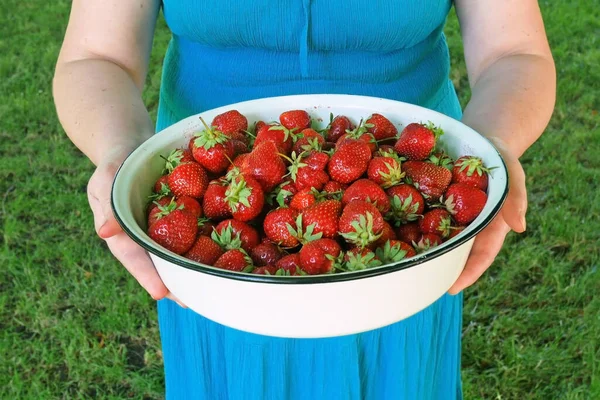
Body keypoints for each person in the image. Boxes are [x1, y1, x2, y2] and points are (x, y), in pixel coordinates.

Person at [53, 1, 555, 398]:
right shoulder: (206, 220)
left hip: (412, 223)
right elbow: (98, 55)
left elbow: (513, 49)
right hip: (210, 206)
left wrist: (494, 146)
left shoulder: (414, 209)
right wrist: (122, 155)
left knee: (393, 372)